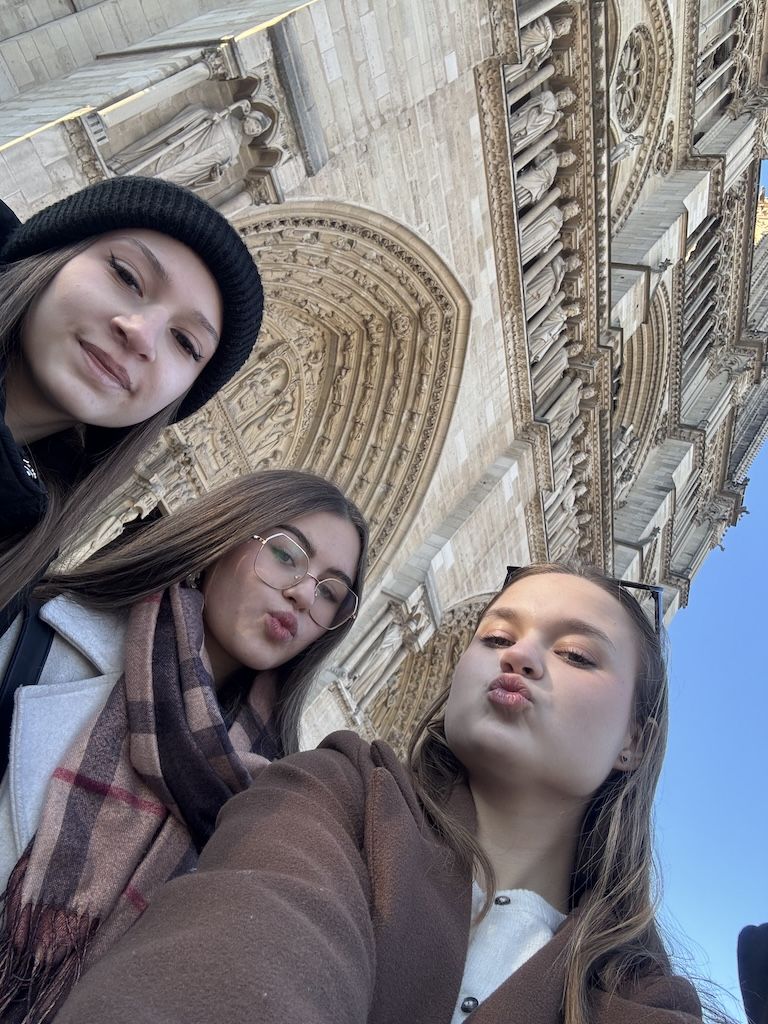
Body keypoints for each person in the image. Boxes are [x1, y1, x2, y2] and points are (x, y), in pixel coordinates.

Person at [52, 563, 707, 1024]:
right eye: (496, 637)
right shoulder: (335, 796)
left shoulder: (648, 1000)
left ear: (635, 741)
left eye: (578, 655)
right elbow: (243, 942)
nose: (520, 657)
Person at [0, 468, 368, 1022]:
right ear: (224, 535)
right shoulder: (37, 636)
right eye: (286, 554)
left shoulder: (272, 803)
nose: (301, 594)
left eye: (330, 593)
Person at [0, 175, 264, 636]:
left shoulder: (21, 556)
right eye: (126, 276)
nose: (141, 335)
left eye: (185, 342)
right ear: (53, 251)